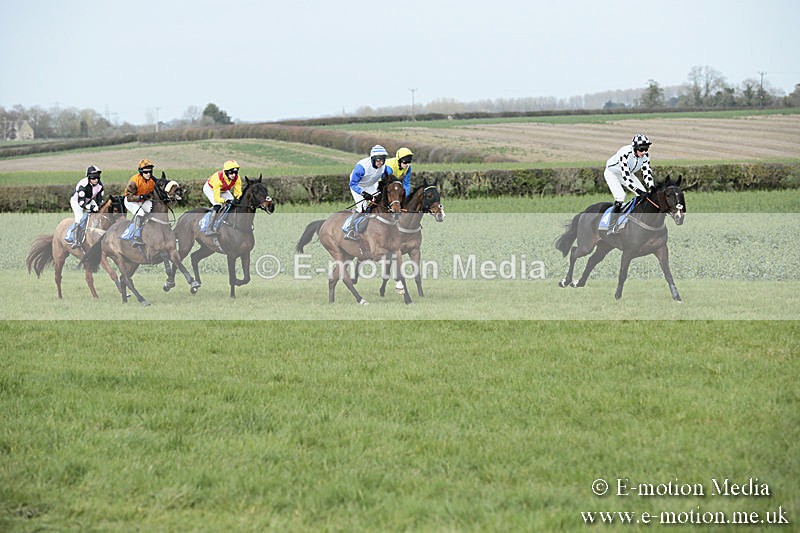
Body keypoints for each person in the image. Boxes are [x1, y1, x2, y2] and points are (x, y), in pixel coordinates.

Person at [604, 133, 655, 235]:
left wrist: (651, 186)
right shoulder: (625, 153)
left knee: (644, 195)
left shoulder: (645, 156)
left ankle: (638, 222)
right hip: (613, 173)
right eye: (641, 149)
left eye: (646, 149)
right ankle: (611, 226)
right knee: (620, 196)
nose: (644, 152)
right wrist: (639, 191)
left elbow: (647, 173)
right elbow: (626, 178)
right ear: (635, 148)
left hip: (628, 173)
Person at [342, 145, 394, 240]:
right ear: (373, 159)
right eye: (378, 160)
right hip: (358, 186)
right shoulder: (361, 167)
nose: (381, 163)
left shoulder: (384, 167)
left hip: (371, 185)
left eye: (383, 160)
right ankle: (350, 229)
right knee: (362, 207)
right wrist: (363, 193)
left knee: (382, 201)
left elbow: (389, 176)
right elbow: (353, 184)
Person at [66, 165, 104, 247]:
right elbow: (81, 203)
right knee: (79, 219)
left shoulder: (100, 185)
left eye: (97, 178)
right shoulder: (83, 185)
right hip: (77, 202)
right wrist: (91, 207)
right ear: (89, 178)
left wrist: (98, 206)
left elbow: (100, 199)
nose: (96, 180)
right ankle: (75, 239)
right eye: (93, 178)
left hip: (89, 200)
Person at [203, 159, 243, 235]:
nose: (234, 175)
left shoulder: (237, 178)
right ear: (226, 172)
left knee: (233, 204)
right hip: (210, 188)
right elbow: (217, 198)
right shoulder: (218, 179)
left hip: (224, 190)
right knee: (217, 205)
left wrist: (237, 199)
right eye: (231, 172)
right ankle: (209, 228)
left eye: (235, 172)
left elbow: (238, 192)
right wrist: (225, 201)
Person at [123, 159, 157, 244]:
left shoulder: (153, 181)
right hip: (130, 201)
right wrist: (141, 197)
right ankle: (135, 236)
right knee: (141, 214)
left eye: (150, 172)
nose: (148, 174)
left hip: (143, 200)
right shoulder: (134, 181)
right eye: (146, 172)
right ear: (141, 172)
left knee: (155, 209)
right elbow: (129, 198)